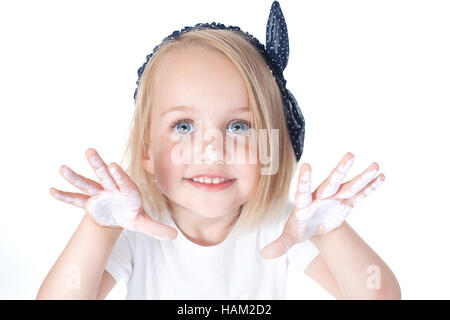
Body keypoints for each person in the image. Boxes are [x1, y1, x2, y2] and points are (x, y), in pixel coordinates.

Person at [36, 1, 400, 299]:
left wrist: (328, 231)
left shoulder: (278, 225)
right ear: (147, 148)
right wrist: (98, 228)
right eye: (183, 126)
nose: (212, 152)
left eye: (238, 127)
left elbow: (378, 296)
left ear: (270, 148)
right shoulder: (136, 230)